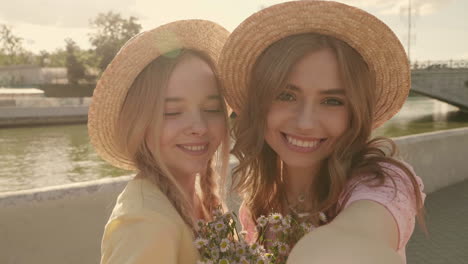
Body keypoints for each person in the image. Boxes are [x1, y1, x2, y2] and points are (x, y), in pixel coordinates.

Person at [218, 1, 425, 263]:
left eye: (332, 101)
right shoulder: (259, 203)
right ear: (260, 102)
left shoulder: (380, 184)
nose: (305, 122)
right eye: (286, 95)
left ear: (355, 113)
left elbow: (358, 239)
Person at [87, 20, 230, 264]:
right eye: (172, 112)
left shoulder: (192, 198)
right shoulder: (146, 224)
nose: (199, 127)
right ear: (140, 123)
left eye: (212, 108)